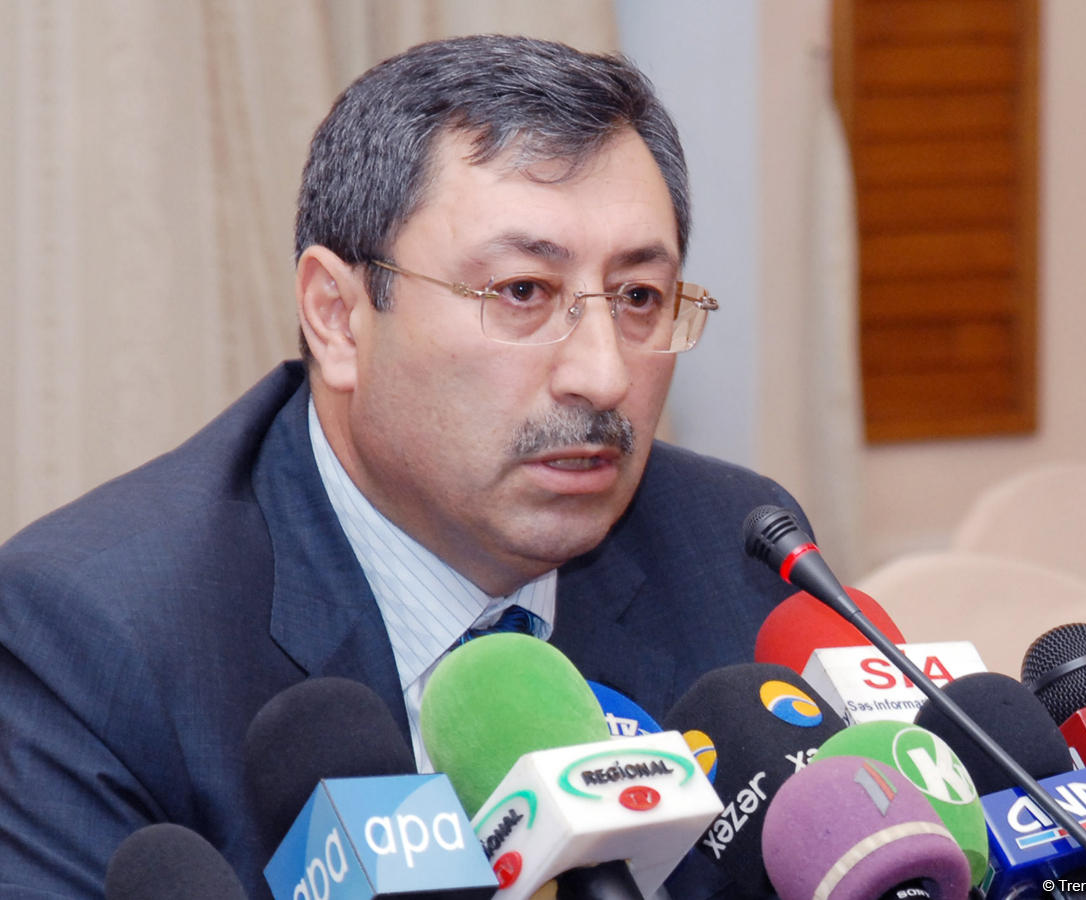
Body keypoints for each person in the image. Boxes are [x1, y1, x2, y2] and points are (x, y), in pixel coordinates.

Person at [0, 35, 809, 898]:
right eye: (523, 292)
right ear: (338, 317)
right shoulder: (96, 640)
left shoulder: (735, 556)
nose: (604, 376)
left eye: (638, 297)